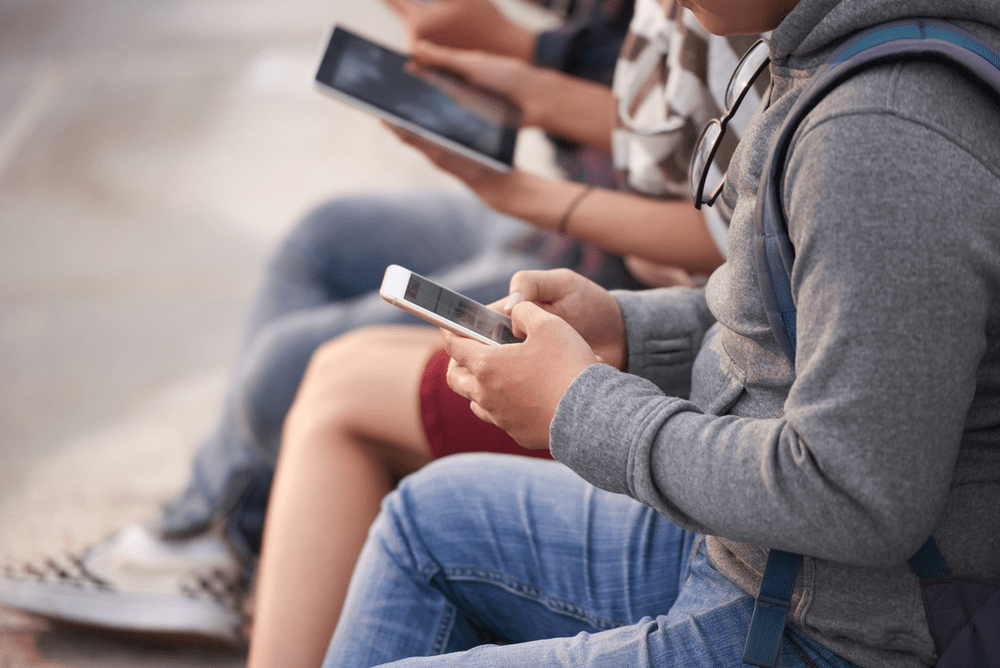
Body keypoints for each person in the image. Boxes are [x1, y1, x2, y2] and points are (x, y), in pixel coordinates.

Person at [313, 0, 1000, 665]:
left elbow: (856, 498)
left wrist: (577, 408)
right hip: (764, 562)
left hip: (831, 631)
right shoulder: (833, 55)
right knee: (427, 520)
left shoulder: (881, 134)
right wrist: (629, 328)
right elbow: (795, 312)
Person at [0, 0, 639, 643]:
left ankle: (219, 539)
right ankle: (213, 537)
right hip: (563, 218)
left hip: (604, 258)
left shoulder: (721, 52)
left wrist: (517, 58)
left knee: (294, 367)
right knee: (328, 236)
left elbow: (682, 171)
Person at [245, 1, 765, 665]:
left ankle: (218, 535)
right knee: (326, 265)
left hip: (772, 578)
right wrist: (530, 83)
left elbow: (844, 489)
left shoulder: (851, 108)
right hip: (641, 328)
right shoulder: (818, 75)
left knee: (309, 384)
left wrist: (580, 401)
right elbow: (737, 261)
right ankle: (212, 528)